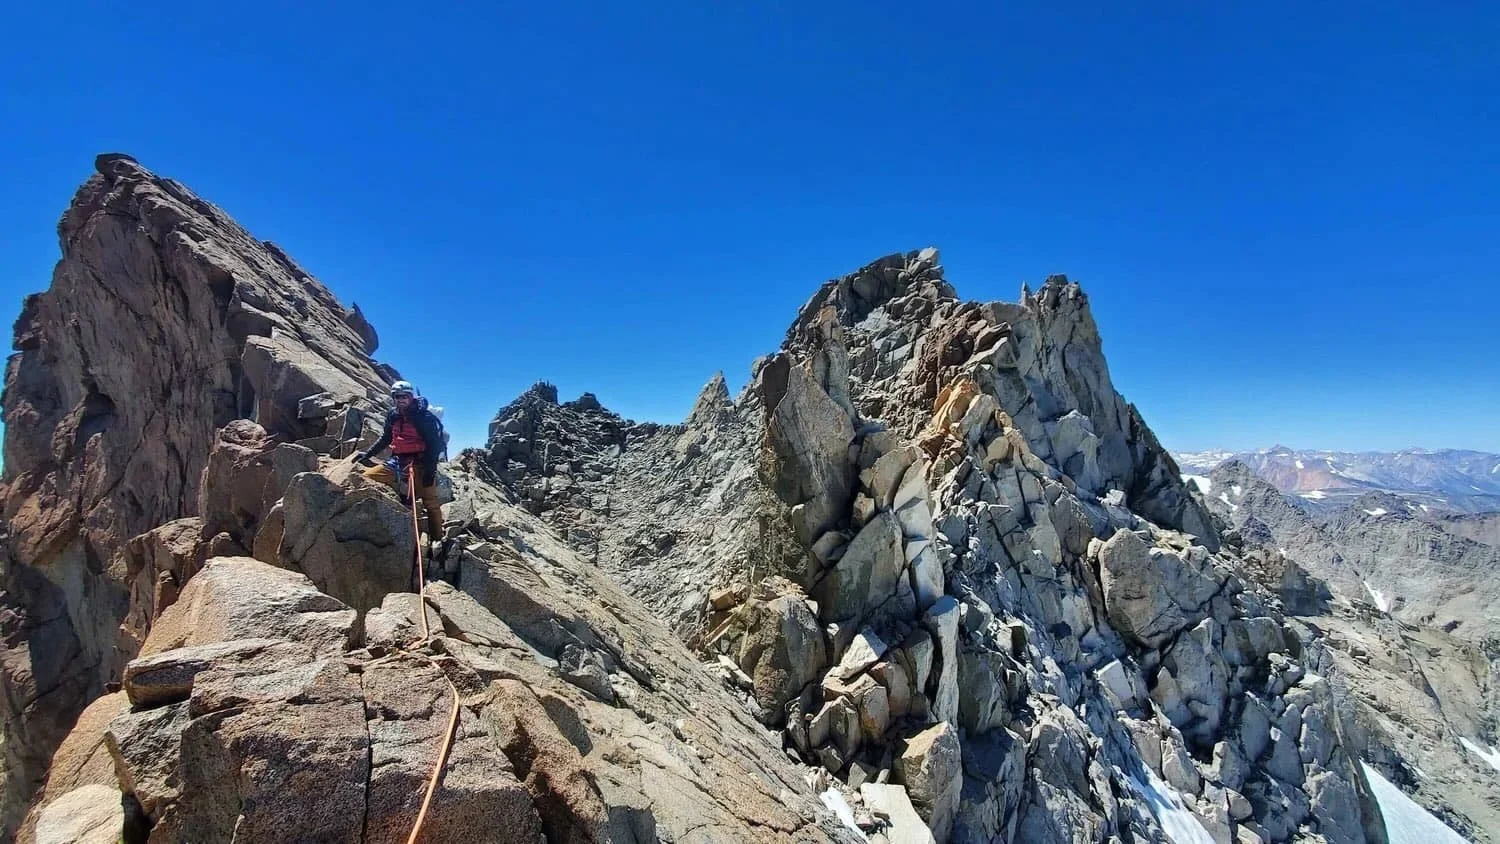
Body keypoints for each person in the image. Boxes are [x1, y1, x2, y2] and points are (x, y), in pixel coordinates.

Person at [354, 381, 444, 539]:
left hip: (420, 463)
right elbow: (385, 438)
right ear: (393, 398)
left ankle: (438, 539)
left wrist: (430, 472)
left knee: (430, 502)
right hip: (398, 460)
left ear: (411, 397)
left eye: (405, 396)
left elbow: (434, 447)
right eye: (397, 396)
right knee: (368, 477)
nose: (401, 399)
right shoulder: (393, 415)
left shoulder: (424, 418)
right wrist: (367, 454)